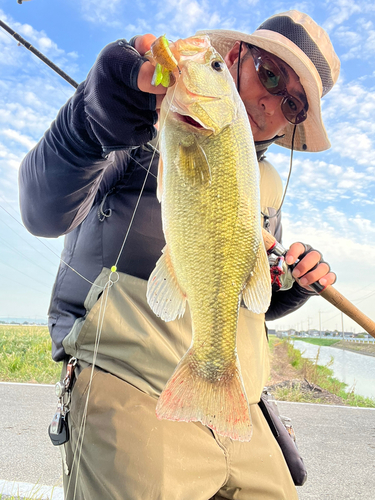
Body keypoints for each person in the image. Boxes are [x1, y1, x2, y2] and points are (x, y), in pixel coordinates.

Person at [19, 9, 339, 500]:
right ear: (235, 56)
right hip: (132, 390)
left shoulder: (266, 184)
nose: (272, 104)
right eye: (270, 75)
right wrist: (90, 118)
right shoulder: (137, 127)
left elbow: (239, 295)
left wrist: (292, 285)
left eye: (294, 104)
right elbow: (41, 211)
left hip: (240, 407)